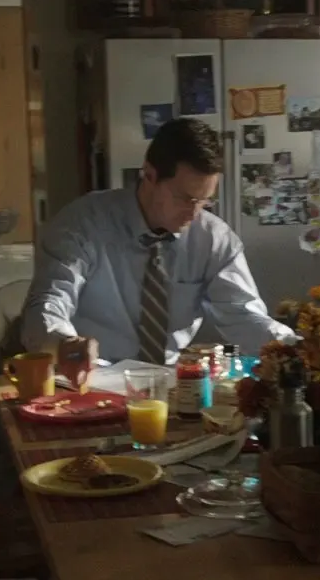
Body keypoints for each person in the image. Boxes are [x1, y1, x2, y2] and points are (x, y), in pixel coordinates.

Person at [21, 118, 292, 388]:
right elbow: (47, 304)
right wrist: (65, 343)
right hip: (91, 380)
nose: (194, 212)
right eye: (185, 198)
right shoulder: (83, 224)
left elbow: (243, 315)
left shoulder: (213, 239)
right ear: (149, 175)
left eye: (205, 200)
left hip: (170, 383)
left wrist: (296, 349)